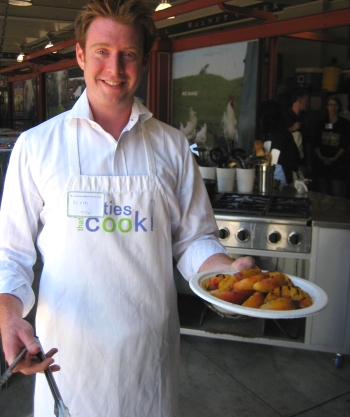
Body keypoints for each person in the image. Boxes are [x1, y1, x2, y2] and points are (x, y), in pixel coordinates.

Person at [0, 1, 255, 416]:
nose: (114, 69)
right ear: (80, 55)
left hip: (148, 362)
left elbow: (194, 241)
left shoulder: (171, 145)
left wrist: (226, 272)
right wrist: (9, 318)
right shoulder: (37, 147)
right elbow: (10, 255)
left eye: (128, 54)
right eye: (101, 51)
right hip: (68, 360)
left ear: (144, 60)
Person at [313, 95, 350, 198]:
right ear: (326, 106)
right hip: (322, 163)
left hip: (338, 164)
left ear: (339, 107)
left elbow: (345, 144)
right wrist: (320, 156)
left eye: (335, 105)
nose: (333, 108)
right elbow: (315, 142)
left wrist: (334, 158)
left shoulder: (345, 124)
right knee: (323, 194)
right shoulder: (320, 124)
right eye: (330, 105)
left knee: (337, 193)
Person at [259, 100, 300, 188]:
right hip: (277, 177)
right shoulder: (278, 133)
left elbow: (286, 159)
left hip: (281, 179)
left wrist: (290, 181)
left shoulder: (277, 135)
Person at [283, 89, 311, 173]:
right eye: (306, 101)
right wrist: (292, 128)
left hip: (302, 160)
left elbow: (308, 141)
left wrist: (309, 162)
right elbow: (279, 134)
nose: (308, 104)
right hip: (289, 159)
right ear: (299, 100)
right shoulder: (285, 117)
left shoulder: (306, 118)